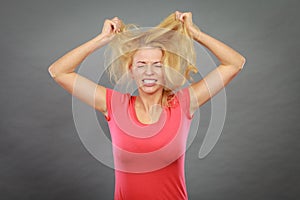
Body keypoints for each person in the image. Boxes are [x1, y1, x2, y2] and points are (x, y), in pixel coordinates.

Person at [48, 11, 246, 200]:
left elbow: (234, 63)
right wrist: (101, 40)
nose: (149, 72)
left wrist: (196, 34)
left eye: (157, 65)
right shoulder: (114, 104)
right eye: (141, 65)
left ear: (165, 71)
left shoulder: (184, 103)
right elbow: (59, 72)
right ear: (131, 70)